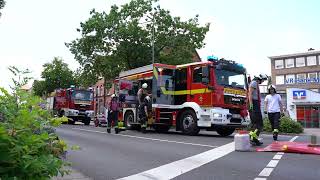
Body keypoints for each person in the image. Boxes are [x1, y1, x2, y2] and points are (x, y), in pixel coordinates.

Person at [248, 74, 268, 146]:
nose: (263, 82)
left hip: (255, 104)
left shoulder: (255, 83)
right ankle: (253, 139)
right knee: (258, 124)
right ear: (260, 78)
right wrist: (251, 105)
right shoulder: (253, 83)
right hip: (254, 104)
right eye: (263, 80)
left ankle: (253, 139)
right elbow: (250, 94)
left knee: (256, 124)